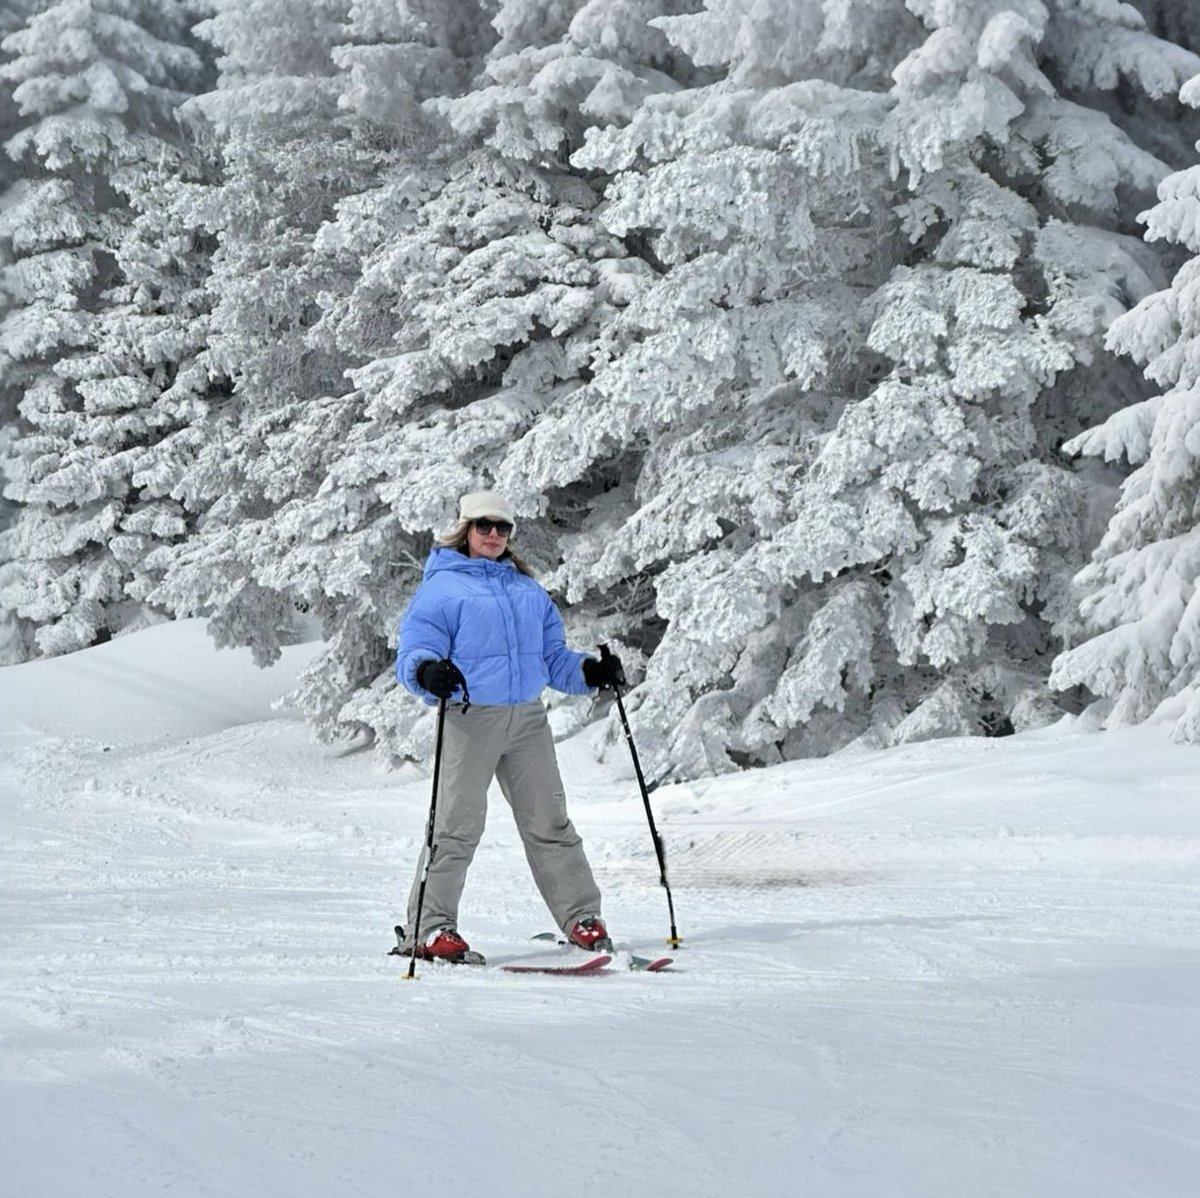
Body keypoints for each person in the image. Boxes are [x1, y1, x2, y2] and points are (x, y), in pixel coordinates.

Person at [395, 489, 626, 962]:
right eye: (484, 526)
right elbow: (414, 651)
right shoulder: (443, 588)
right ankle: (430, 928)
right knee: (456, 826)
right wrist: (426, 672)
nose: (494, 535)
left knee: (550, 822)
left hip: (527, 720)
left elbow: (552, 659)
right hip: (469, 717)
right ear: (465, 529)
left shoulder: (527, 590)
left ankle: (581, 916)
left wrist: (590, 672)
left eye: (503, 528)